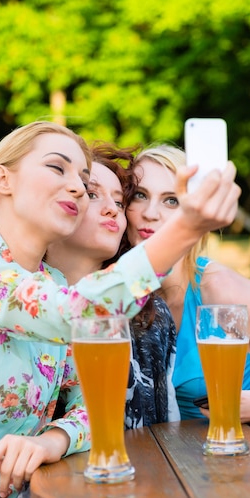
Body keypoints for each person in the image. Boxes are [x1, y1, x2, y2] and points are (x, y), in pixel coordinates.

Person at [0, 121, 240, 498]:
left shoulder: (56, 284)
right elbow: (72, 313)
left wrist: (50, 441)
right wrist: (184, 228)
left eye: (84, 181)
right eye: (57, 168)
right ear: (2, 179)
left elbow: (93, 408)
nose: (78, 189)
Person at [125, 143, 250, 423]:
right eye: (140, 195)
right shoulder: (125, 292)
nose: (150, 212)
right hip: (185, 458)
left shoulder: (219, 288)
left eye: (171, 200)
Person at [46, 142, 180, 428]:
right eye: (92, 194)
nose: (112, 210)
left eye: (120, 202)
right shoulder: (19, 293)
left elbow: (162, 423)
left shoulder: (151, 312)